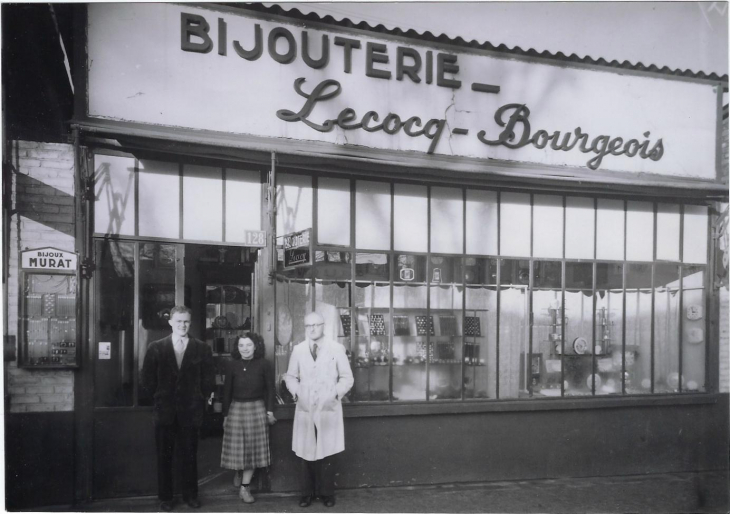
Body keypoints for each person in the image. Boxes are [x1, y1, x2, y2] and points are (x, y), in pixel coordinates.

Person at [141, 305, 215, 511]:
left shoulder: (202, 348)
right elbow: (147, 381)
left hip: (191, 413)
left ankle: (190, 496)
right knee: (164, 456)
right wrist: (160, 399)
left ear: (190, 323)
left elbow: (209, 380)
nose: (183, 325)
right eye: (179, 321)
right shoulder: (156, 347)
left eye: (186, 322)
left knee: (189, 456)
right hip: (164, 413)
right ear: (170, 322)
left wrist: (199, 399)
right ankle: (165, 498)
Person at [284, 311, 354, 508]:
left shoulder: (336, 348)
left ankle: (326, 493)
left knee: (327, 452)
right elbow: (290, 376)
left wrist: (333, 395)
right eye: (308, 326)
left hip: (327, 407)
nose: (312, 329)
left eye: (316, 325)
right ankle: (306, 494)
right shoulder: (298, 350)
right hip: (306, 407)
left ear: (324, 326)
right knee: (305, 452)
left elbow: (347, 378)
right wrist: (297, 393)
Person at [220, 333, 277, 504]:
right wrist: (225, 415)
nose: (245, 349)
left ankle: (245, 487)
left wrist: (269, 412)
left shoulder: (264, 364)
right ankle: (239, 470)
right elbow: (227, 392)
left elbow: (270, 390)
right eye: (241, 345)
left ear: (256, 346)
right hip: (236, 409)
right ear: (237, 348)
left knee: (252, 450)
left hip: (257, 408)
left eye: (249, 345)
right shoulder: (231, 365)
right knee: (238, 448)